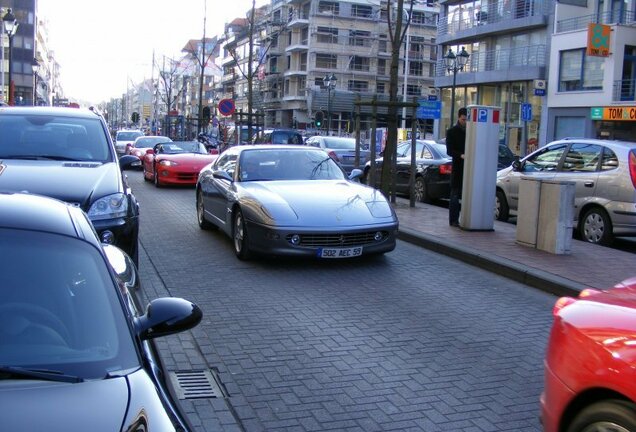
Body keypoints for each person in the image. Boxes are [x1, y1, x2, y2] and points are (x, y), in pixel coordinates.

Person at [446, 107, 467, 227]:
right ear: (459, 118)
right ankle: (453, 220)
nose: (465, 122)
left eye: (467, 120)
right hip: (458, 168)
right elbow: (449, 151)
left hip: (469, 169)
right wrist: (461, 155)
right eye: (463, 119)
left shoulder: (471, 132)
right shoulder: (451, 132)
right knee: (455, 194)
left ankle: (465, 219)